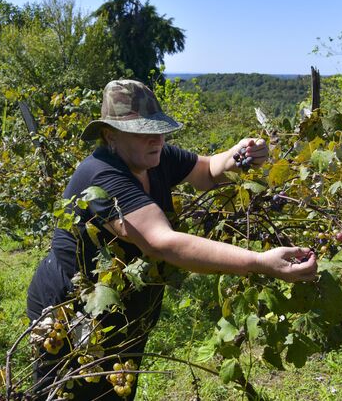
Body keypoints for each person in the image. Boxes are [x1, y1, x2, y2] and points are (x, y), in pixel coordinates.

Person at [26, 79, 317, 400]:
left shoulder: (156, 155)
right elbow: (162, 242)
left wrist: (238, 154)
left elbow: (207, 170)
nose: (155, 138)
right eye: (142, 131)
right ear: (110, 135)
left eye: (159, 129)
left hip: (122, 308)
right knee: (69, 393)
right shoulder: (103, 176)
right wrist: (259, 262)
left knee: (115, 392)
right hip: (70, 310)